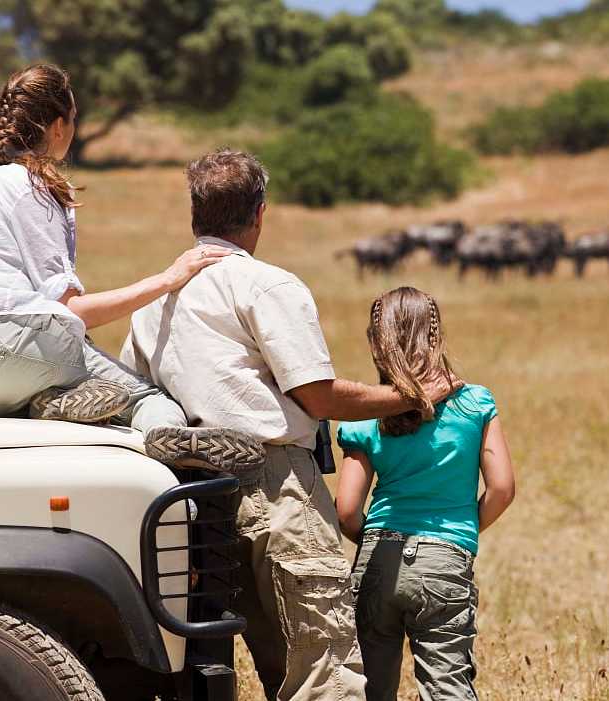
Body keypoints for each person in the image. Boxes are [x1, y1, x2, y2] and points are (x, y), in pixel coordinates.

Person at [121, 149, 458, 701]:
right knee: (322, 660)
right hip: (275, 483)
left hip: (187, 492)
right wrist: (410, 396)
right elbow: (317, 396)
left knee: (238, 656)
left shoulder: (152, 302)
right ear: (259, 213)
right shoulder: (266, 286)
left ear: (195, 214)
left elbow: (139, 395)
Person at [0, 64, 262, 472]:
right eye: (73, 120)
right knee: (139, 391)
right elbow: (70, 311)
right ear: (58, 126)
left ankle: (47, 401)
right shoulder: (33, 190)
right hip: (1, 362)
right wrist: (167, 279)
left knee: (61, 342)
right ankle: (166, 435)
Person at [335, 286, 516, 701]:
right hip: (446, 556)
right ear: (435, 336)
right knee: (447, 686)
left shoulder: (367, 418)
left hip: (378, 554)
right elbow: (502, 488)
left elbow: (347, 511)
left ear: (378, 343)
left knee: (370, 687)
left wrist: (377, 538)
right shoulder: (475, 404)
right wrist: (459, 532)